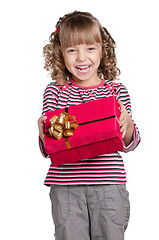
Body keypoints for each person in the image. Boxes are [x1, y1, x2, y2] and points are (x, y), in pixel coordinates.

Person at [38, 11, 141, 240]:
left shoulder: (116, 91)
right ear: (60, 54)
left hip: (109, 185)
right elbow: (51, 148)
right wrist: (45, 134)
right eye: (72, 50)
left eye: (90, 48)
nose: (81, 57)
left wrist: (127, 125)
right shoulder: (55, 91)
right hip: (66, 187)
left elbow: (128, 144)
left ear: (103, 50)